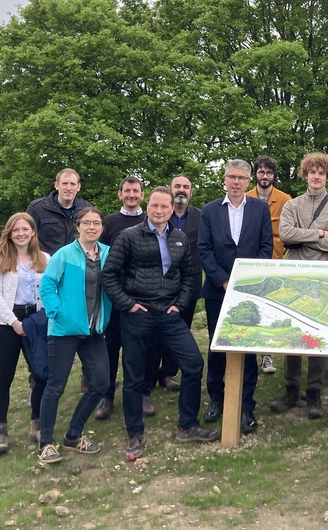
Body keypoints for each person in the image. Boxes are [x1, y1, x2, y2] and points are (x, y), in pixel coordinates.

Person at [102, 186, 218, 460]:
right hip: (137, 315)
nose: (159, 210)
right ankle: (135, 434)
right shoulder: (129, 236)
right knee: (134, 376)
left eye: (164, 206)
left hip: (169, 315)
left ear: (171, 209)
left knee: (193, 364)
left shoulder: (179, 238)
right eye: (154, 205)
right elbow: (110, 275)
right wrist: (128, 305)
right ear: (148, 206)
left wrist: (180, 303)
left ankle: (187, 426)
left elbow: (188, 275)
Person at [199, 160, 274, 434]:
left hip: (248, 290)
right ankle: (216, 399)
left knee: (247, 347)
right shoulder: (209, 210)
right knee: (217, 345)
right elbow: (204, 249)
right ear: (224, 179)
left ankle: (246, 406)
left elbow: (266, 247)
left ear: (248, 181)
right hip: (218, 290)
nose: (236, 182)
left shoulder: (260, 208)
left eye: (241, 178)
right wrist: (223, 280)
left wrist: (247, 281)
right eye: (231, 176)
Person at [270, 152, 328, 419]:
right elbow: (285, 234)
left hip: (323, 276)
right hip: (294, 275)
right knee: (292, 331)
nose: (316, 176)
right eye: (312, 172)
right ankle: (291, 389)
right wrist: (318, 233)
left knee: (318, 333)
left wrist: (301, 239)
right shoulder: (292, 205)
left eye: (321, 173)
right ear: (305, 174)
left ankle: (314, 391)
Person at [36, 207, 112, 464]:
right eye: (87, 223)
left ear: (102, 228)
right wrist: (57, 311)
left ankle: (73, 436)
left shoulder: (108, 253)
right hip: (64, 330)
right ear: (78, 226)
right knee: (56, 386)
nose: (92, 227)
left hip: (93, 329)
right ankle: (46, 443)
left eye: (96, 223)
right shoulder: (64, 254)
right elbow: (47, 285)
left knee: (101, 383)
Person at [0, 212, 50, 455]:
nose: (21, 233)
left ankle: (37, 423)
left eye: (25, 229)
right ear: (9, 234)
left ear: (33, 232)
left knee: (41, 374)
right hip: (5, 323)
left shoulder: (44, 258)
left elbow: (50, 290)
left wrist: (41, 320)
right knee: (3, 377)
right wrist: (14, 323)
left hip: (36, 321)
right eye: (16, 230)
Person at [94, 176, 146, 421]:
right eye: (127, 191)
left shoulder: (150, 220)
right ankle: (106, 395)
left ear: (142, 195)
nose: (131, 195)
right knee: (111, 345)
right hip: (114, 294)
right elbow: (101, 258)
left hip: (143, 294)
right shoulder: (110, 222)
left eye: (136, 191)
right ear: (120, 194)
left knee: (140, 348)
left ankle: (141, 393)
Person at [151, 174, 205, 394]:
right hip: (162, 282)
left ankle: (168, 373)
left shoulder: (201, 216)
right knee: (156, 330)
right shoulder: (161, 214)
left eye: (186, 187)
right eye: (177, 186)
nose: (181, 190)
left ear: (191, 192)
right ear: (170, 189)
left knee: (182, 327)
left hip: (190, 281)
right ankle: (150, 373)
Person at [246, 156, 292, 375]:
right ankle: (247, 353)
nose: (265, 176)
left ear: (274, 176)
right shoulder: (245, 197)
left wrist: (279, 252)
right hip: (249, 263)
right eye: (261, 172)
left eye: (269, 173)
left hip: (274, 262)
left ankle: (266, 355)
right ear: (255, 174)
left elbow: (287, 233)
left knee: (268, 309)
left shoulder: (285, 200)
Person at [26, 168, 95, 255]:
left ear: (78, 187)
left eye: (73, 184)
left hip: (76, 261)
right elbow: (27, 238)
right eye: (64, 183)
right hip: (45, 261)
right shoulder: (37, 208)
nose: (69, 188)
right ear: (56, 185)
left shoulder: (88, 210)